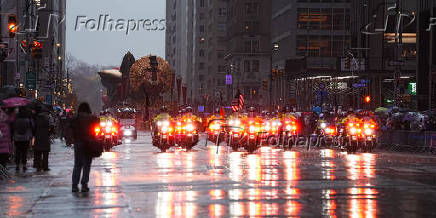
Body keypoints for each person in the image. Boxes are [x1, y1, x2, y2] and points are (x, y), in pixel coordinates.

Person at [71, 103, 99, 192]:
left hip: (78, 143)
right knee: (87, 165)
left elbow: (70, 128)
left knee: (77, 165)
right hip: (89, 143)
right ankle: (84, 185)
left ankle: (74, 185)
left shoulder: (75, 119)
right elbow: (97, 122)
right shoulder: (91, 118)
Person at [33, 105, 52, 171]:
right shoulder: (48, 118)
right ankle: (45, 167)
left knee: (38, 152)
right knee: (45, 153)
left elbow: (33, 128)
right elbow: (52, 127)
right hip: (46, 137)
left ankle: (38, 166)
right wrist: (49, 133)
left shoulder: (36, 118)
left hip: (38, 137)